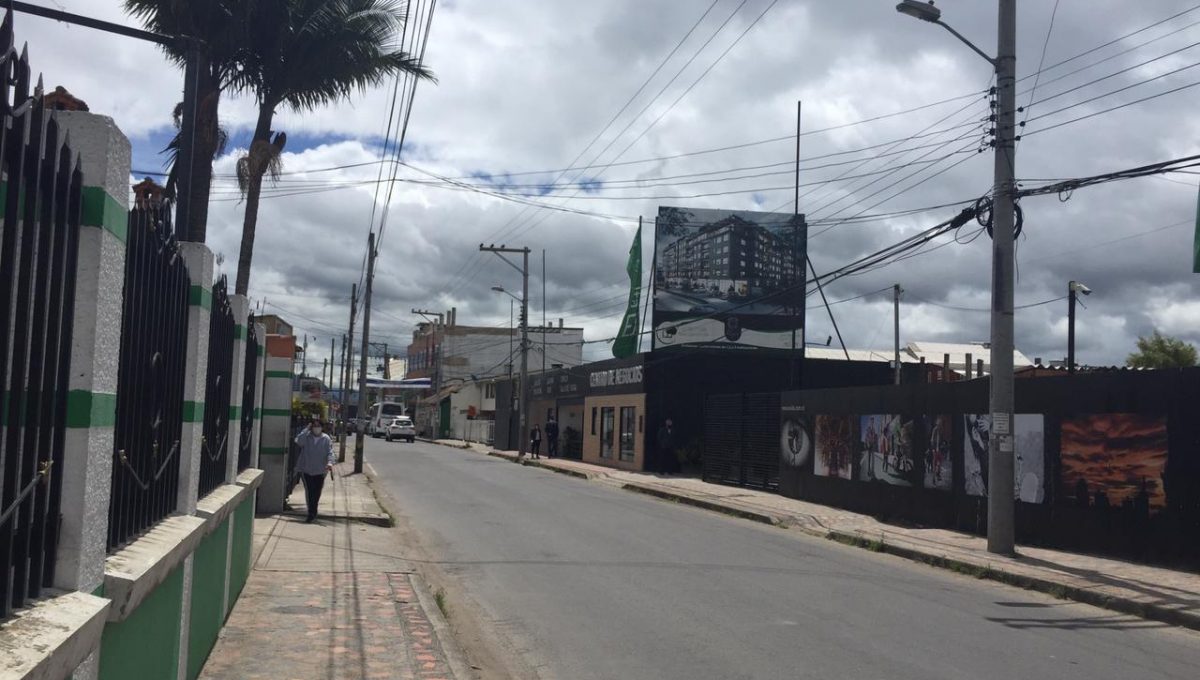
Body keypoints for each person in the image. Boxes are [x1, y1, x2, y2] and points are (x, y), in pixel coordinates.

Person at [293, 418, 335, 523]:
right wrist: (306, 429)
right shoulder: (306, 437)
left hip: (321, 470)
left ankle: (313, 510)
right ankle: (311, 513)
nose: (316, 428)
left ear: (322, 427)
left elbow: (330, 452)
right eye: (314, 426)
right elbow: (298, 441)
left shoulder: (326, 439)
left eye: (318, 426)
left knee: (316, 492)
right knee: (310, 491)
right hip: (306, 469)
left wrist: (330, 463)